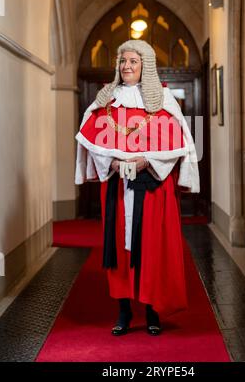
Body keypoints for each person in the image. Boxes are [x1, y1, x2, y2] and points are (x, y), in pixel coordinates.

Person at [75, 40, 199, 336]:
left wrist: (148, 159)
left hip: (154, 187)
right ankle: (124, 311)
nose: (126, 66)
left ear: (146, 65)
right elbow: (90, 138)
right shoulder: (106, 100)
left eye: (133, 61)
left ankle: (152, 310)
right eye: (123, 61)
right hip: (118, 187)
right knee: (118, 248)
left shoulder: (164, 100)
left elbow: (178, 141)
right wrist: (112, 161)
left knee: (151, 248)